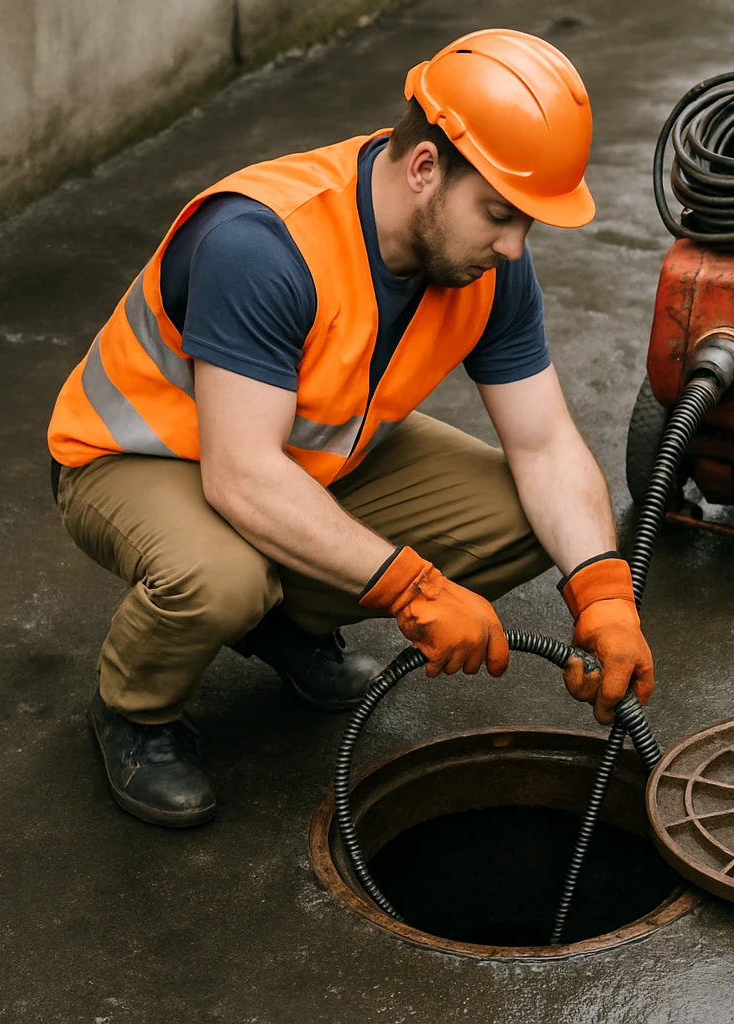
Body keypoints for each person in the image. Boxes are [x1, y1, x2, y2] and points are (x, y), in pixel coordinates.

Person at [47, 28, 654, 827]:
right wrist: (414, 588)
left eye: (528, 224)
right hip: (136, 455)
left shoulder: (487, 263)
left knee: (522, 515)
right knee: (223, 578)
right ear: (426, 168)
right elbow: (241, 476)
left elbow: (544, 444)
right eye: (501, 214)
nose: (513, 247)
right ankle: (136, 712)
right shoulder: (263, 244)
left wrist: (604, 594)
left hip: (305, 456)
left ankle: (286, 624)